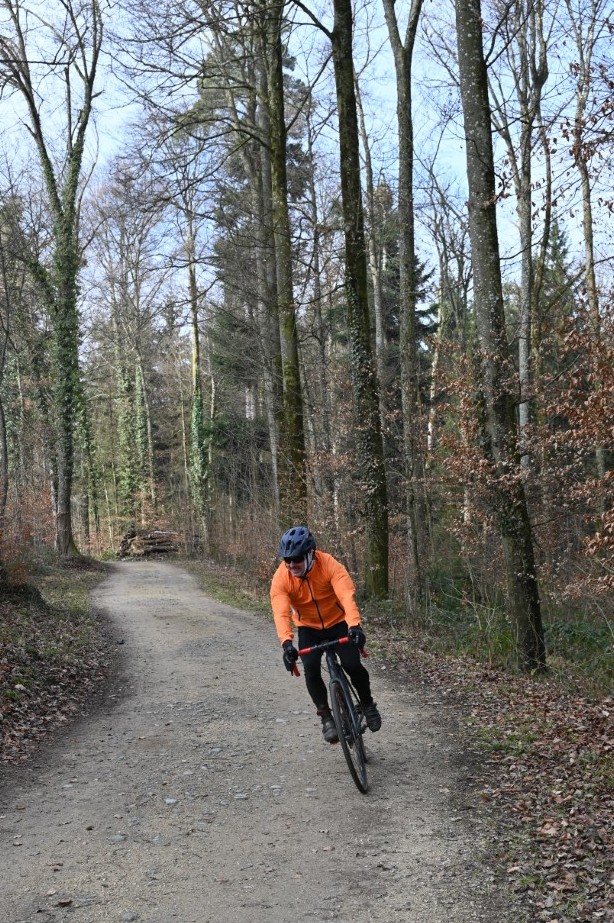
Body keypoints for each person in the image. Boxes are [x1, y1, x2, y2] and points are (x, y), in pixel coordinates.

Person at [270, 525, 382, 744]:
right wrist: (287, 644)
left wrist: (355, 625)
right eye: (287, 559)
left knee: (352, 665)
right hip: (308, 628)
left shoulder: (329, 564)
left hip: (338, 622)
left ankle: (368, 704)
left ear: (310, 554)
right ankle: (326, 718)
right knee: (311, 668)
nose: (291, 565)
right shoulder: (281, 577)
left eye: (296, 559)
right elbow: (280, 612)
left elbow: (346, 595)